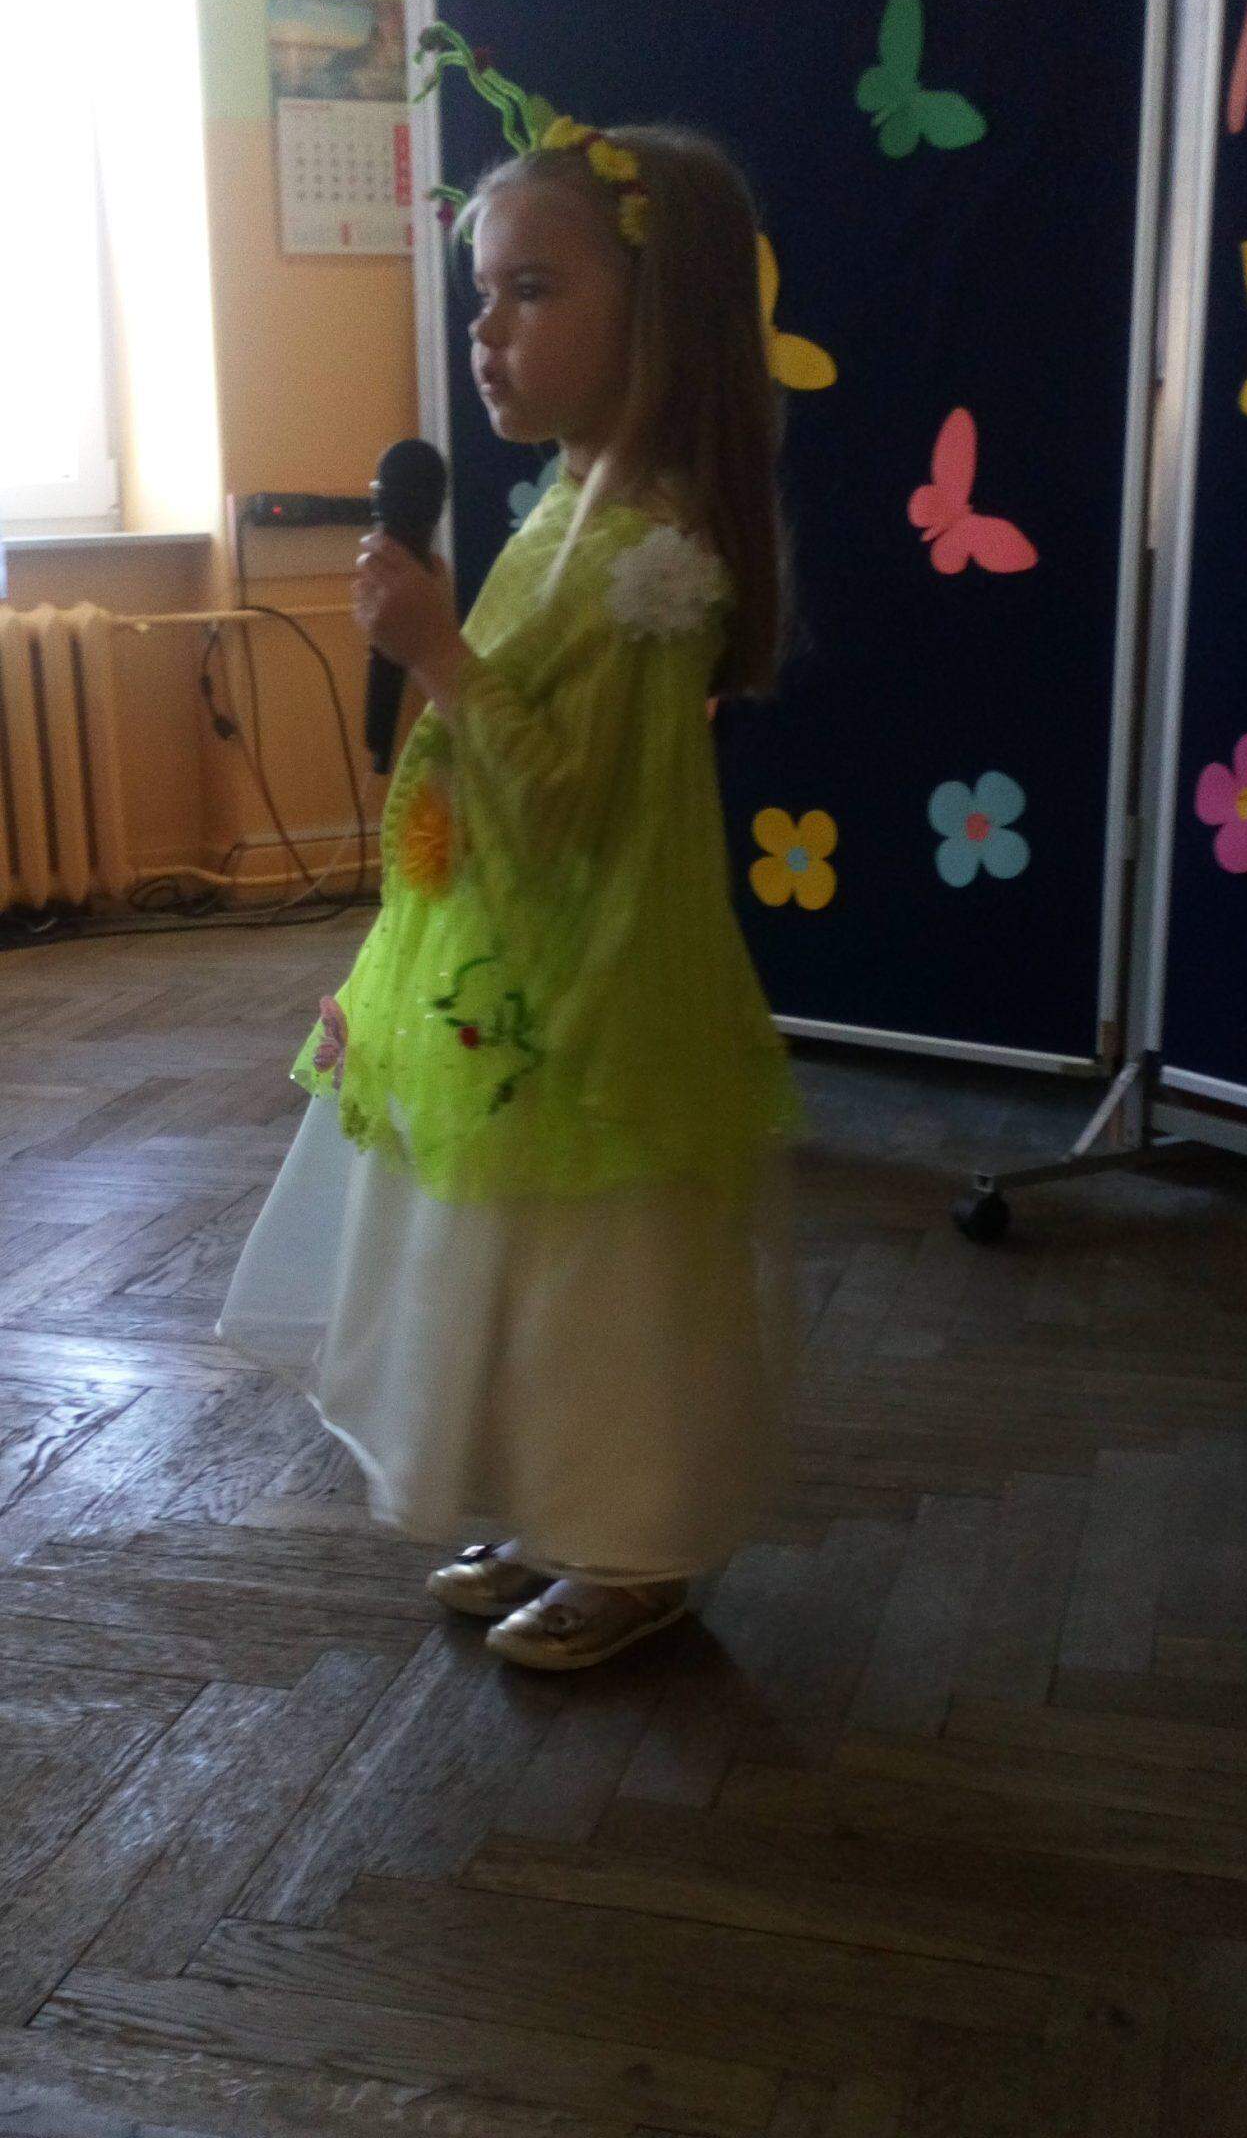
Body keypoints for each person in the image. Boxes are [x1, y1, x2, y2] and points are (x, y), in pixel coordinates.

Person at [215, 105, 805, 1671]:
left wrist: (435, 653)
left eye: (532, 292)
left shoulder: (648, 554)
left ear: (653, 315)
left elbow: (566, 803)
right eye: (482, 294)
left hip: (601, 980)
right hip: (520, 967)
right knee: (516, 1263)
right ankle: (557, 1506)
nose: (486, 333)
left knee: (604, 1285)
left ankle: (637, 1543)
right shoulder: (566, 506)